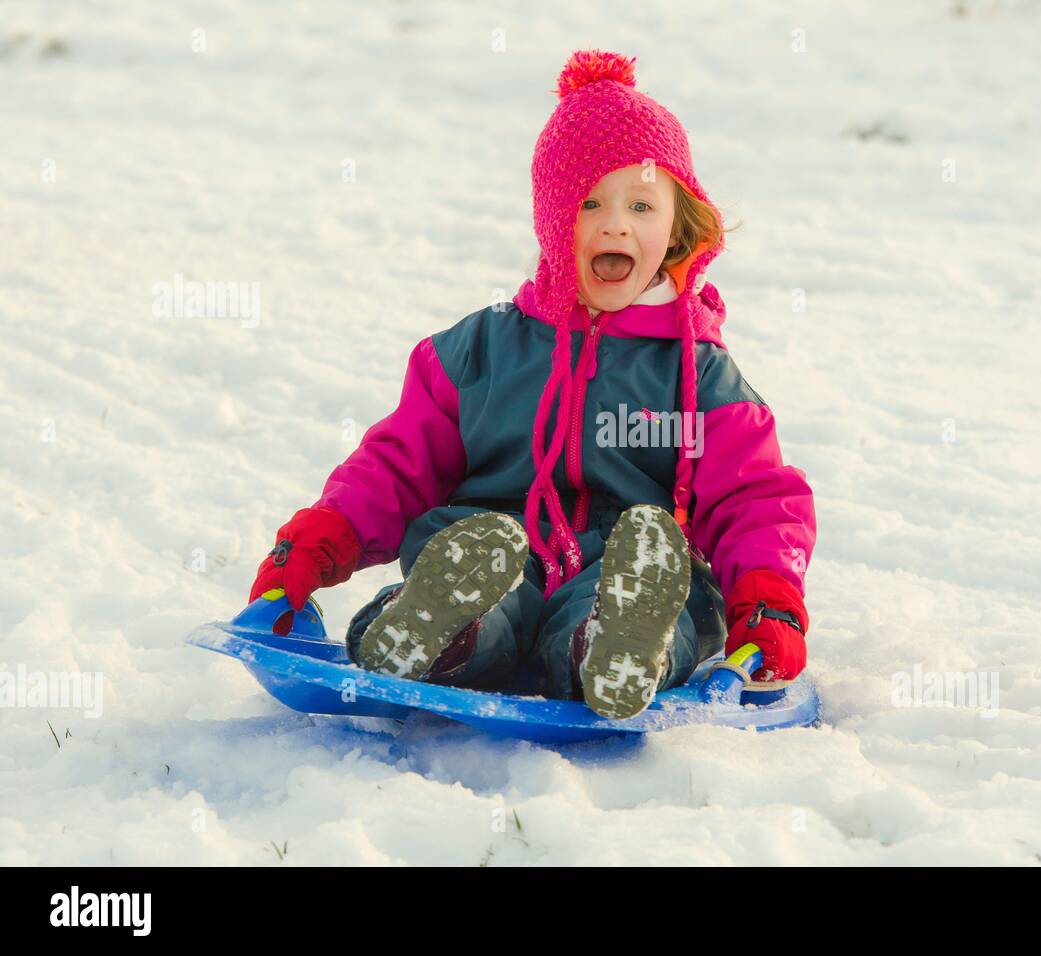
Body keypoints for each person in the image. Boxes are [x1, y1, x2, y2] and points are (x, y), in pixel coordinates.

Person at [248, 50, 816, 720]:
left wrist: (767, 595)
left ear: (674, 226)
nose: (615, 224)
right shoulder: (480, 350)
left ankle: (614, 646)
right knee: (483, 582)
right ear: (553, 220)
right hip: (491, 541)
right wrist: (317, 545)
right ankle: (435, 629)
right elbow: (394, 466)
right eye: (589, 202)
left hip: (629, 560)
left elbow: (752, 496)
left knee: (640, 588)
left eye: (641, 204)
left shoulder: (700, 376)